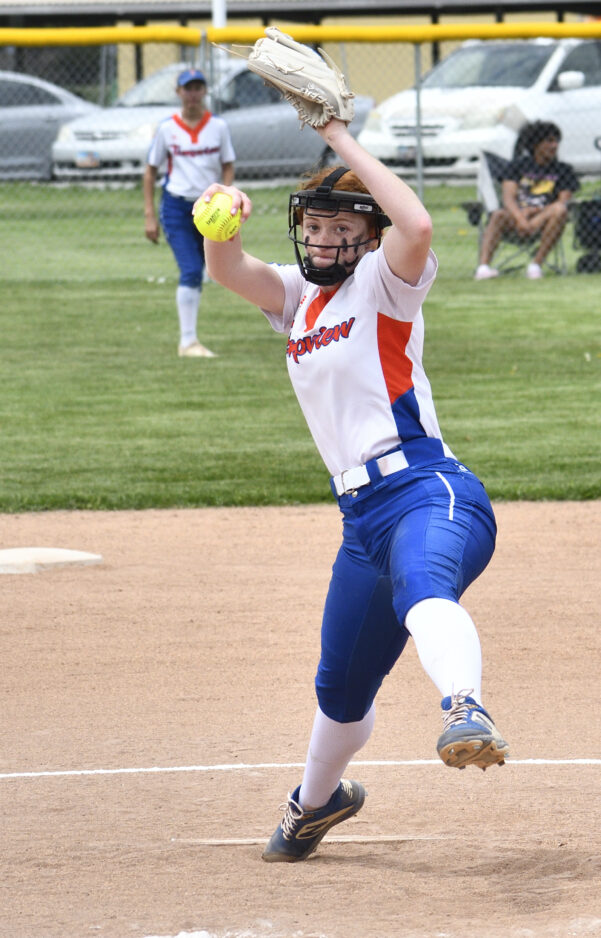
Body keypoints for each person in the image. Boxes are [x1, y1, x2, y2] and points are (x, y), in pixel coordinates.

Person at [195, 114, 509, 864]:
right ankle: (315, 803)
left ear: (368, 238)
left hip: (429, 491)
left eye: (344, 227)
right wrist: (220, 221)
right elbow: (230, 271)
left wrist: (338, 137)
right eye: (318, 226)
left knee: (424, 588)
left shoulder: (385, 282)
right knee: (339, 686)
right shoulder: (300, 298)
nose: (327, 239)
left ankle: (464, 707)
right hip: (360, 518)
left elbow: (420, 222)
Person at [143, 67, 236, 357]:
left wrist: (225, 195)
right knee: (192, 270)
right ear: (178, 92)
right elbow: (150, 171)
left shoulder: (218, 127)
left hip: (209, 208)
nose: (193, 94)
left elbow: (228, 164)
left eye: (198, 88)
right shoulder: (167, 128)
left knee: (214, 270)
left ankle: (189, 338)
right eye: (187, 88)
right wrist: (149, 214)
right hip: (176, 206)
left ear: (205, 91)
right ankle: (188, 342)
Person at [475, 120, 579, 281]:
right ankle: (483, 268)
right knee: (497, 215)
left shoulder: (564, 170)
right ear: (536, 144)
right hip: (516, 218)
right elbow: (508, 198)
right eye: (549, 141)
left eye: (556, 141)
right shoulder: (517, 166)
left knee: (560, 210)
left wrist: (535, 218)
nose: (554, 145)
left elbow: (562, 201)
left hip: (546, 221)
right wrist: (521, 219)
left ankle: (536, 265)